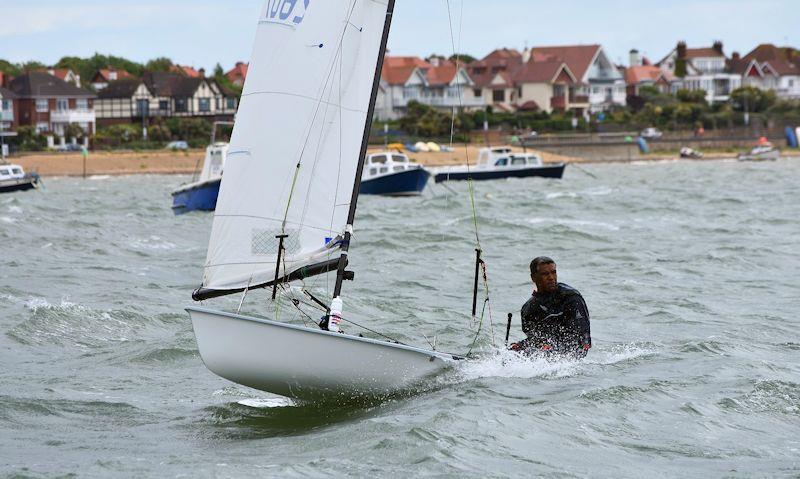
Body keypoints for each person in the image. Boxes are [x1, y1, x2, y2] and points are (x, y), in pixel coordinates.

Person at [510, 257, 591, 358]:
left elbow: (582, 333)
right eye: (545, 274)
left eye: (553, 272)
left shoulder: (571, 297)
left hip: (571, 350)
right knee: (512, 352)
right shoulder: (528, 309)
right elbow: (534, 338)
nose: (551, 277)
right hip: (546, 348)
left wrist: (555, 349)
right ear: (533, 278)